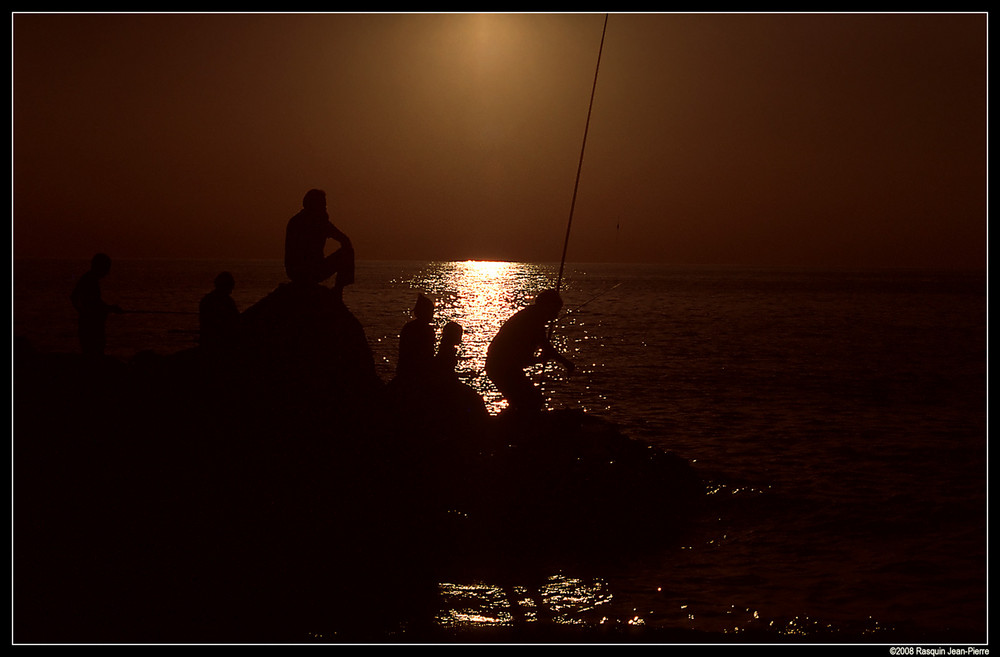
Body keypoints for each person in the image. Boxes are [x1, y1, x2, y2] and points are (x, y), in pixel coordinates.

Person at [486, 289, 575, 414]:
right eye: (555, 311)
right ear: (546, 306)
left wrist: (539, 359)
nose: (555, 316)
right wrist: (566, 363)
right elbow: (545, 347)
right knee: (532, 400)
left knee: (526, 401)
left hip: (504, 367)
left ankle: (510, 424)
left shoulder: (531, 316)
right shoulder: (533, 320)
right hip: (502, 368)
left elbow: (525, 354)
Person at [284, 188, 355, 295]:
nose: (325, 208)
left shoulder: (295, 220)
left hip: (294, 272)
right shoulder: (318, 221)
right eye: (323, 205)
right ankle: (338, 290)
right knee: (347, 251)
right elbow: (345, 240)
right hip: (310, 271)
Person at [70, 253, 124, 357]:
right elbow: (94, 303)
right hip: (92, 327)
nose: (108, 271)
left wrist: (82, 312)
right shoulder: (90, 280)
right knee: (94, 353)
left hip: (89, 324)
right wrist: (110, 308)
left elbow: (76, 298)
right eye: (107, 267)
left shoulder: (88, 279)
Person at [396, 294, 435, 380]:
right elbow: (427, 355)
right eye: (431, 311)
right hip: (417, 373)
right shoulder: (427, 330)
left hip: (405, 371)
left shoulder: (408, 327)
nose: (432, 314)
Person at [199, 271, 240, 353]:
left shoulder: (207, 300)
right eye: (231, 286)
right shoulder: (226, 301)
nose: (232, 289)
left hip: (209, 338)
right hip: (219, 340)